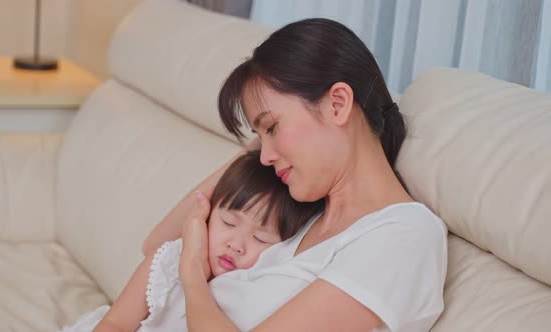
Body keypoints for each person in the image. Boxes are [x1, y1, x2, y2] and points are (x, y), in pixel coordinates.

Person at [145, 18, 448, 332]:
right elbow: (156, 247)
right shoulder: (300, 209)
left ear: (338, 104)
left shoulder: (403, 235)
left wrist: (193, 276)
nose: (265, 156)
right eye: (260, 138)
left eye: (273, 127)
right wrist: (263, 141)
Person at [60, 151, 323, 332]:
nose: (236, 244)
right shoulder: (169, 261)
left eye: (259, 238)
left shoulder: (255, 289)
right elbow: (114, 323)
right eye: (229, 223)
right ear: (207, 215)